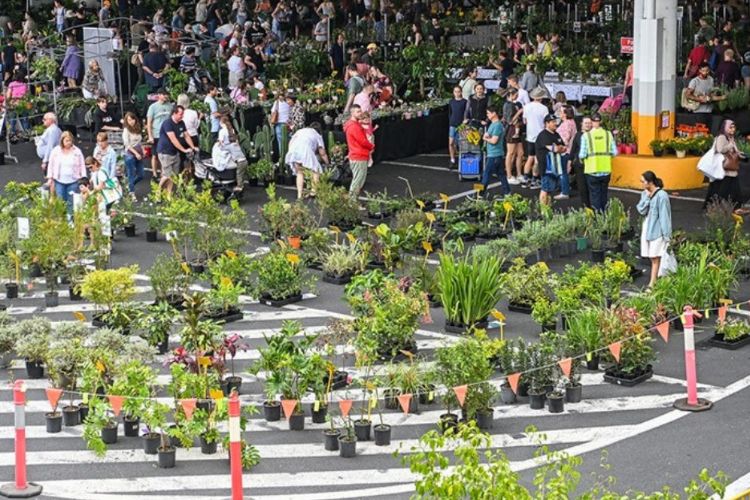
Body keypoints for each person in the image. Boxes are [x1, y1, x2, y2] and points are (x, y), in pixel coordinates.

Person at [637, 171, 672, 289]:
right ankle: (658, 280)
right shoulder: (645, 194)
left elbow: (664, 217)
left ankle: (652, 282)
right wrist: (647, 197)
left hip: (657, 230)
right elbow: (641, 210)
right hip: (648, 228)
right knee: (652, 256)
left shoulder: (662, 196)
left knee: (655, 257)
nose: (641, 184)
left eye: (643, 182)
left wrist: (667, 235)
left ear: (649, 182)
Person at [704, 119, 746, 213]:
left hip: (730, 168)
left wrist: (738, 153)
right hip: (724, 168)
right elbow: (720, 149)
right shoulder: (722, 137)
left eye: (733, 127)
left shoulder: (730, 138)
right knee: (722, 189)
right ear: (725, 127)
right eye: (730, 127)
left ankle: (736, 207)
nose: (733, 129)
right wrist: (730, 145)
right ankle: (715, 206)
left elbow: (733, 150)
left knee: (733, 188)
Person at [156, 105, 199, 194]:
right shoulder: (167, 123)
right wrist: (184, 150)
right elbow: (173, 139)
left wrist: (192, 147)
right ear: (174, 113)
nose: (182, 116)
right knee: (167, 175)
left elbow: (186, 135)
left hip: (175, 152)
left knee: (173, 175)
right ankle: (158, 192)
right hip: (165, 152)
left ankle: (169, 194)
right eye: (180, 114)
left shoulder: (181, 123)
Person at [579, 113, 617, 212]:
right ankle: (604, 215)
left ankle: (597, 219)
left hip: (592, 170)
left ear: (591, 122)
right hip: (606, 170)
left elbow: (582, 154)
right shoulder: (608, 134)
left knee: (594, 195)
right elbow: (615, 152)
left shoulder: (586, 136)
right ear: (600, 121)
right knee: (603, 194)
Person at [285, 122, 329, 199]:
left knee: (299, 172)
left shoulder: (300, 131)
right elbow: (322, 153)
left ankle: (299, 195)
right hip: (305, 150)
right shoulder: (317, 135)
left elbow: (291, 142)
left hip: (293, 150)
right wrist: (327, 163)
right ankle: (313, 192)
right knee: (316, 170)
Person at [46, 131, 85, 215]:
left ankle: (70, 219)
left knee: (71, 201)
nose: (68, 143)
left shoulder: (77, 151)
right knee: (60, 201)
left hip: (73, 181)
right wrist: (50, 177)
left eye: (70, 140)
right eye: (66, 141)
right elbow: (51, 164)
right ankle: (62, 218)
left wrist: (83, 177)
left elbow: (82, 164)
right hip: (59, 181)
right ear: (62, 141)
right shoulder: (56, 151)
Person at [344, 104, 374, 199]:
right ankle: (352, 202)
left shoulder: (353, 125)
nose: (360, 113)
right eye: (358, 111)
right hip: (359, 155)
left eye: (360, 111)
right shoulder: (354, 127)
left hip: (357, 155)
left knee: (359, 179)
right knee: (358, 180)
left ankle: (353, 201)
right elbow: (362, 141)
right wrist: (371, 146)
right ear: (352, 113)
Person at [535, 114, 567, 206]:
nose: (555, 123)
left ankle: (548, 208)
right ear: (547, 123)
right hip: (546, 167)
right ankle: (543, 210)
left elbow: (564, 148)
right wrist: (558, 147)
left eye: (555, 121)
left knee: (550, 190)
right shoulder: (543, 135)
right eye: (553, 122)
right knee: (545, 188)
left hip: (555, 167)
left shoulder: (556, 134)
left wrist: (558, 147)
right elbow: (555, 149)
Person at [521, 86, 549, 189]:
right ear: (541, 97)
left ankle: (525, 178)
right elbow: (546, 123)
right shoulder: (544, 108)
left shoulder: (527, 106)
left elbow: (525, 121)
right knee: (538, 159)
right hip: (540, 135)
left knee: (530, 157)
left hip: (530, 135)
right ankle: (535, 179)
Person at [212, 115, 246, 193]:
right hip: (239, 155)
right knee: (240, 174)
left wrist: (216, 148)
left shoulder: (222, 131)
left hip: (232, 155)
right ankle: (240, 186)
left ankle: (239, 187)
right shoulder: (232, 130)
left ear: (222, 122)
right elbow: (235, 140)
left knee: (239, 175)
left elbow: (221, 142)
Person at [481, 106, 508, 196]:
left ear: (494, 113)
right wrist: (487, 136)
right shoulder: (493, 124)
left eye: (488, 113)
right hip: (497, 154)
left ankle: (480, 193)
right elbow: (488, 135)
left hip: (494, 154)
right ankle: (507, 192)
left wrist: (486, 139)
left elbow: (494, 140)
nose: (487, 115)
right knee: (501, 174)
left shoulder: (497, 125)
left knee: (487, 173)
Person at [146, 88, 172, 176]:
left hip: (167, 134)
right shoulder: (153, 107)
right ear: (159, 95)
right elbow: (149, 122)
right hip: (156, 133)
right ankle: (154, 173)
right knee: (155, 154)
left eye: (167, 94)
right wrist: (150, 135)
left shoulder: (170, 106)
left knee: (164, 155)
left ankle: (163, 172)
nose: (166, 96)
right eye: (164, 94)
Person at [569, 116, 592, 208]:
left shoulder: (593, 135)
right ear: (581, 124)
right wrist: (569, 162)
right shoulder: (578, 135)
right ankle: (586, 207)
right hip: (580, 165)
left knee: (590, 187)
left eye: (589, 123)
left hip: (591, 165)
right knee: (582, 188)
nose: (588, 125)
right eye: (586, 123)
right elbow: (573, 149)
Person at [503, 88, 524, 185]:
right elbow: (510, 120)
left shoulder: (514, 104)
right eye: (516, 94)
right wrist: (519, 112)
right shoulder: (508, 105)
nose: (517, 96)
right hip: (511, 130)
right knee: (510, 153)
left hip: (517, 128)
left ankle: (519, 174)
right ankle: (509, 175)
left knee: (520, 152)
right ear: (511, 94)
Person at [555, 106, 577, 200]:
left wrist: (559, 145)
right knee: (565, 171)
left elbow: (565, 139)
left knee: (563, 171)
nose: (559, 113)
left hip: (565, 150)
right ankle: (565, 187)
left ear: (565, 113)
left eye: (561, 111)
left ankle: (565, 191)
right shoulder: (572, 122)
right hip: (570, 150)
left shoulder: (567, 124)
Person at [122, 111, 145, 196]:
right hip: (130, 153)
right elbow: (127, 144)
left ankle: (130, 186)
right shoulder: (126, 130)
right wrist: (136, 153)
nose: (131, 121)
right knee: (131, 173)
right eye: (129, 120)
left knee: (141, 175)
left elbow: (140, 141)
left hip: (138, 152)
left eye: (132, 119)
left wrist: (142, 150)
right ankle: (132, 192)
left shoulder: (137, 128)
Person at [448, 85, 467, 167]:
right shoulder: (451, 102)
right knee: (451, 142)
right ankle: (452, 159)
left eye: (458, 91)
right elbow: (450, 112)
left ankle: (460, 160)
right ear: (453, 92)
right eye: (455, 91)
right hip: (452, 124)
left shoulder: (464, 102)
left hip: (461, 125)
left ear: (461, 92)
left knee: (461, 143)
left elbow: (466, 113)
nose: (457, 93)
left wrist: (464, 122)